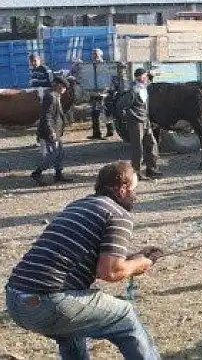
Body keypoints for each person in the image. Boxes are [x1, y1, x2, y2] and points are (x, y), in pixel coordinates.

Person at [6, 161, 163, 359]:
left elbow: (87, 261)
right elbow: (110, 272)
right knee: (126, 316)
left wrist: (132, 258)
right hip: (49, 301)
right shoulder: (118, 213)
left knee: (72, 328)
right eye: (134, 190)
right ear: (122, 189)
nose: (135, 196)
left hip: (15, 300)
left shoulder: (78, 205)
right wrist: (142, 263)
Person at [119, 68, 162, 181]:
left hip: (145, 121)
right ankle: (136, 173)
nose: (147, 78)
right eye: (145, 76)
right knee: (137, 148)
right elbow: (121, 105)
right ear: (140, 77)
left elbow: (144, 106)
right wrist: (130, 117)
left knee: (152, 144)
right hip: (136, 122)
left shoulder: (143, 88)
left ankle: (151, 169)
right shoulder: (133, 90)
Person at [31, 76, 73, 185]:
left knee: (60, 154)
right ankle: (37, 173)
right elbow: (46, 116)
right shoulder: (50, 97)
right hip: (49, 132)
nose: (65, 89)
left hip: (56, 131)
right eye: (64, 87)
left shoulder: (56, 96)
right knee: (52, 155)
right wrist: (51, 131)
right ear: (58, 85)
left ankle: (58, 175)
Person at [85, 48, 117, 140]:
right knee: (94, 114)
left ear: (101, 55)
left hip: (104, 93)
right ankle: (96, 133)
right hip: (94, 93)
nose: (94, 56)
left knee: (106, 113)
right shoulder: (90, 66)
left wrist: (109, 89)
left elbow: (111, 77)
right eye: (93, 54)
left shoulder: (105, 65)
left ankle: (110, 132)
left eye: (96, 54)